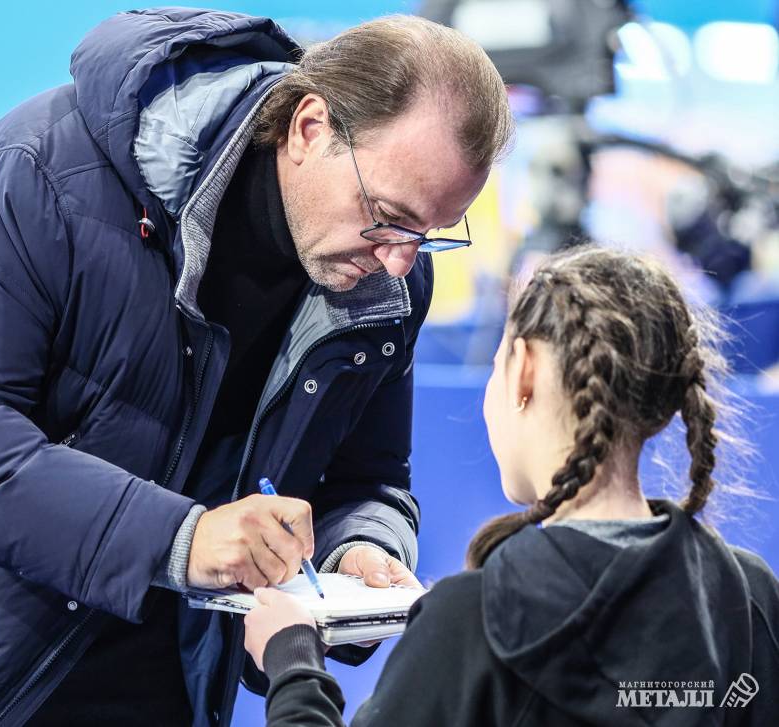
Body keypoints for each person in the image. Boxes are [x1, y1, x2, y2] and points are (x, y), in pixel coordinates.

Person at [0, 8, 513, 727]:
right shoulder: (44, 174)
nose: (398, 259)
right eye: (386, 215)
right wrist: (184, 537)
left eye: (428, 234)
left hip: (158, 681)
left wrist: (361, 548)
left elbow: (368, 480)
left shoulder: (387, 285)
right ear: (309, 128)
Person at [244, 246, 779, 726]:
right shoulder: (751, 597)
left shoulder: (475, 622)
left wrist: (292, 664)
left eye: (498, 362)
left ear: (522, 369)